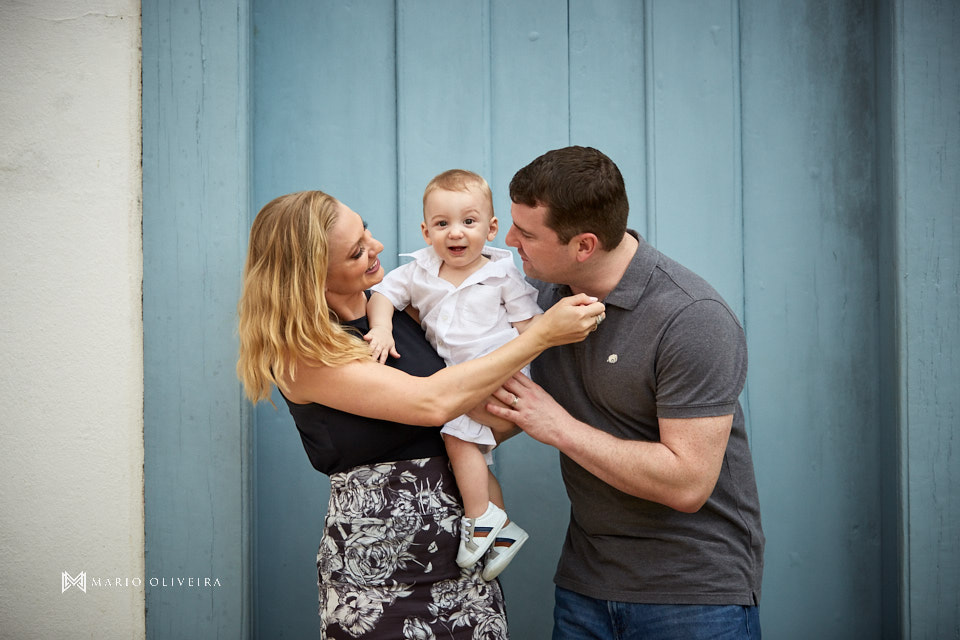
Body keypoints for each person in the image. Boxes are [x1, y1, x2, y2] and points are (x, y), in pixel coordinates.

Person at [236, 189, 605, 639]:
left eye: (366, 230)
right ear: (311, 274)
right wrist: (541, 336)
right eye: (356, 251)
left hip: (466, 559)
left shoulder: (401, 309)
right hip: (379, 573)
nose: (376, 247)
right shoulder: (303, 353)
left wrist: (502, 415)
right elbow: (432, 403)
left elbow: (492, 416)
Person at [487, 146, 765, 639]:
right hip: (584, 587)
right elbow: (503, 410)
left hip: (692, 596)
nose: (509, 242)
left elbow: (688, 483)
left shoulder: (691, 317)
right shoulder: (543, 304)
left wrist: (559, 428)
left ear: (585, 245)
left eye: (527, 234)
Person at [365, 170, 540, 581]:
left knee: (458, 438)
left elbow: (529, 328)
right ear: (426, 231)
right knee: (471, 453)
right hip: (457, 380)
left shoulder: (502, 273)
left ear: (491, 228)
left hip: (503, 374)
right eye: (442, 224)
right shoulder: (418, 272)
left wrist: (530, 383)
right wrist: (383, 327)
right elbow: (383, 297)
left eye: (469, 221)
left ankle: (480, 518)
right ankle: (502, 532)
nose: (455, 233)